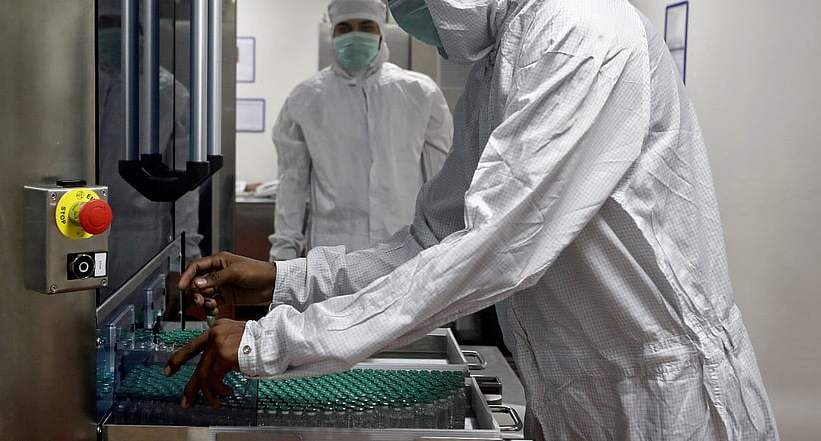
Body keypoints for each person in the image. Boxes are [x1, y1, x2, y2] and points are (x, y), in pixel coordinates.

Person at [166, 0, 780, 439]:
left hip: (658, 398)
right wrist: (282, 280)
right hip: (573, 395)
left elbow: (493, 249)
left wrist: (273, 340)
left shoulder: (580, 31)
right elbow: (433, 240)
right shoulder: (501, 62)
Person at [267, 0, 453, 260]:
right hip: (331, 257)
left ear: (380, 32)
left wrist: (443, 250)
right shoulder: (306, 99)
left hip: (403, 253)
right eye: (344, 28)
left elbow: (440, 181)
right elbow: (292, 186)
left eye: (366, 26)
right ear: (333, 34)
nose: (355, 35)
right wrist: (281, 260)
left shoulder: (420, 93)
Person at [97, 0, 203, 307]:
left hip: (142, 245)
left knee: (135, 329)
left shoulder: (169, 93)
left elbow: (186, 190)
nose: (114, 33)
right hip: (78, 232)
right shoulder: (78, 86)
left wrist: (181, 263)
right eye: (105, 24)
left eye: (125, 25)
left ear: (142, 31)